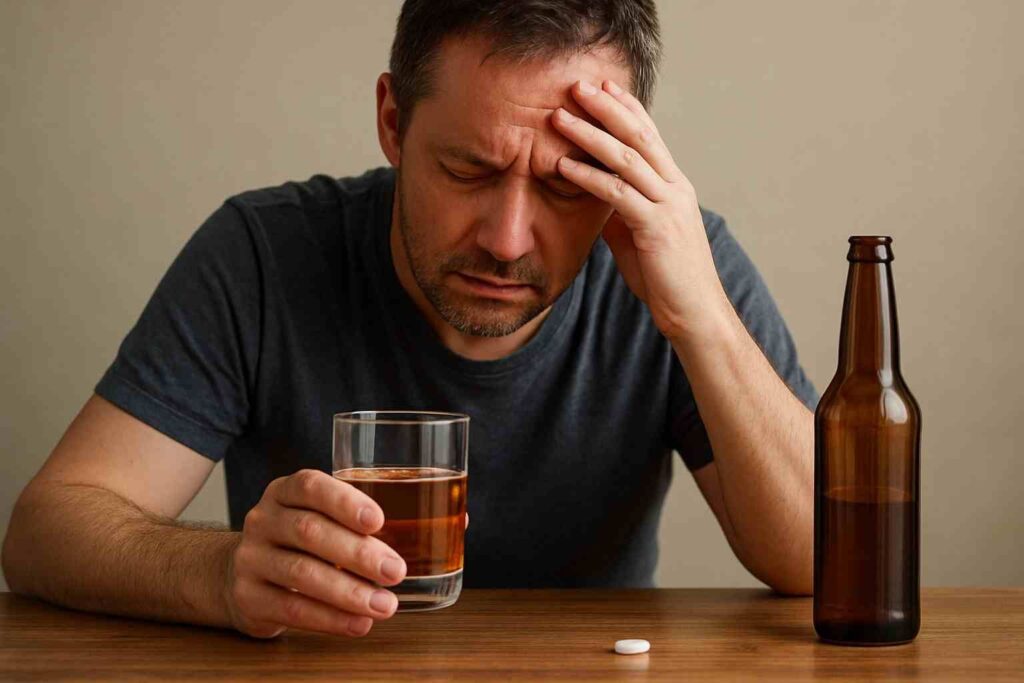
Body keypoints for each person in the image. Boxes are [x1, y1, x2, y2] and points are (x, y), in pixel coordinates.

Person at [2, 0, 817, 640]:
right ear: (392, 122)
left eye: (568, 184)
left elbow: (831, 561)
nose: (507, 240)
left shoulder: (678, 262)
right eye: (469, 169)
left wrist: (701, 320)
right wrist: (222, 572)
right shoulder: (263, 254)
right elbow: (46, 531)